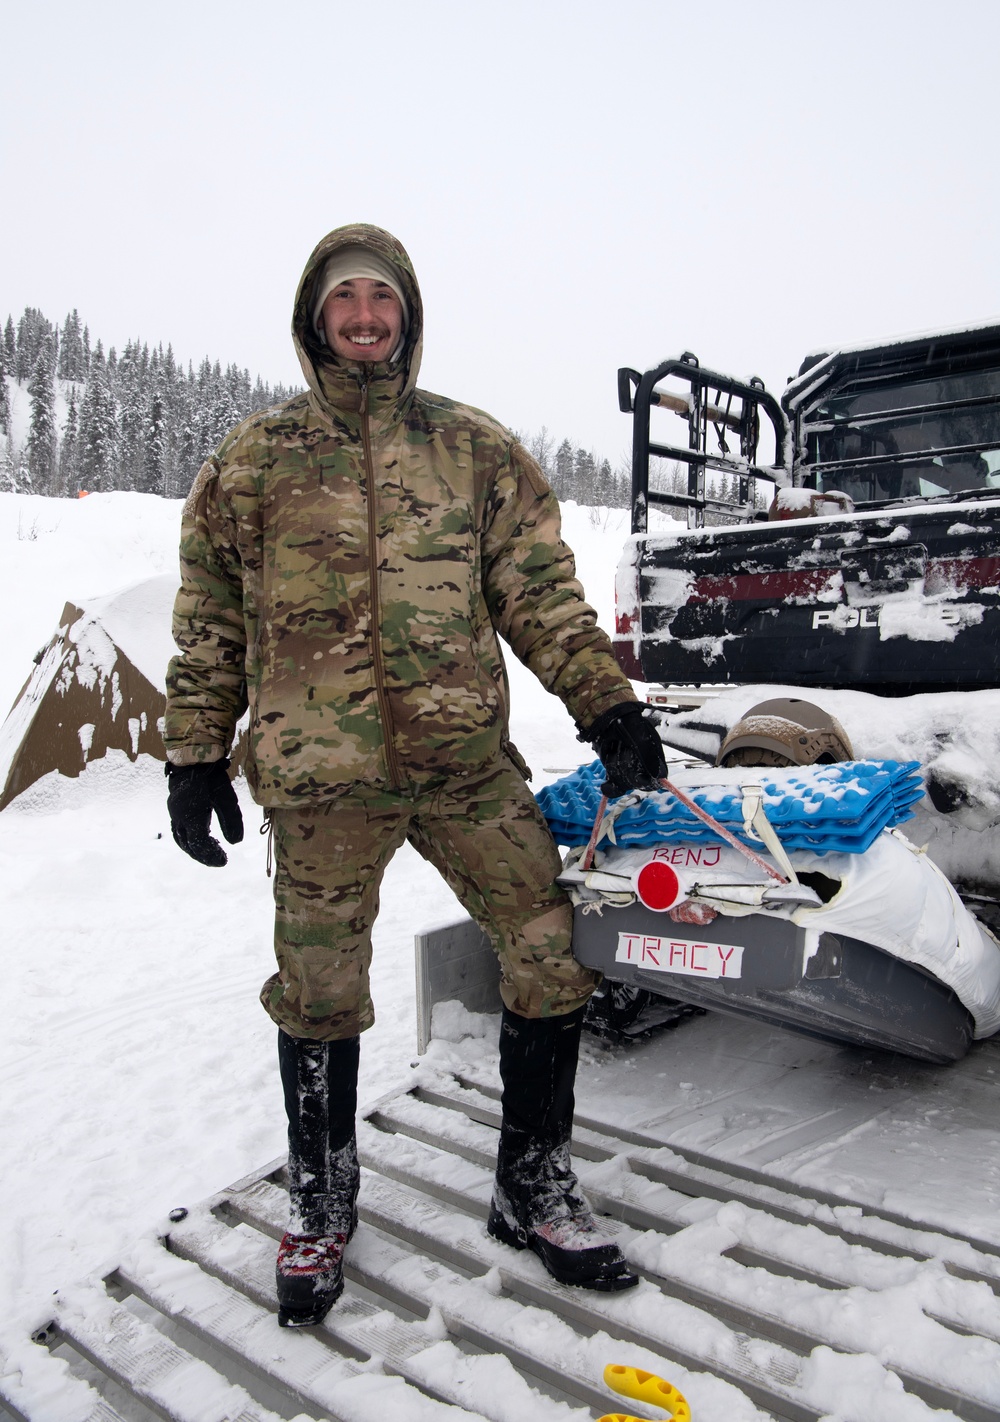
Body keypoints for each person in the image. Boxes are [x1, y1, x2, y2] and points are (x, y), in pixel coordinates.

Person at [163, 223, 667, 1328]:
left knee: (548, 949)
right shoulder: (252, 461)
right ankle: (322, 1200)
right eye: (342, 299)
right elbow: (208, 621)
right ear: (313, 317)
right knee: (318, 993)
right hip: (317, 777)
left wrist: (605, 701)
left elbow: (538, 588)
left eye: (380, 298)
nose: (363, 317)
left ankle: (529, 1182)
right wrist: (194, 752)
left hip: (461, 767)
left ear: (407, 314)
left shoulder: (471, 448)